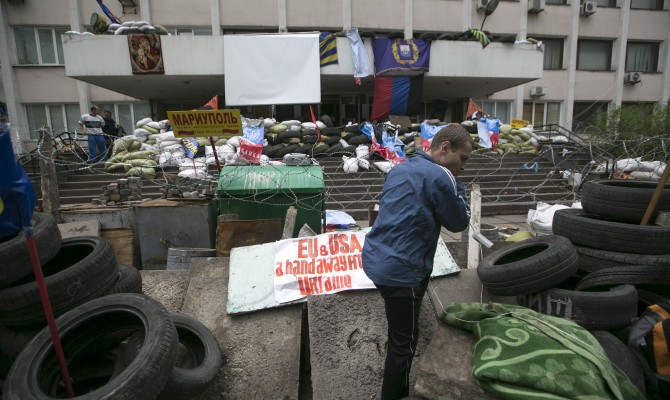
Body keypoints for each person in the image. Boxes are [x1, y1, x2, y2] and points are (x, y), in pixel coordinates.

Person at [362, 124, 474, 400]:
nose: (463, 166)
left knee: (400, 333)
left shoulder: (400, 168)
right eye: (463, 158)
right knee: (404, 345)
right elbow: (459, 220)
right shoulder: (440, 176)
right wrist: (456, 184)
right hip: (403, 271)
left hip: (377, 259)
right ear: (445, 148)